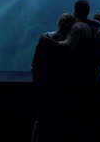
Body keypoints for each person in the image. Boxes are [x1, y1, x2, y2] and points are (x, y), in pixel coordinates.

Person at [42, 0, 100, 141]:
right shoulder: (96, 26)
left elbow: (67, 45)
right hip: (93, 75)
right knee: (91, 111)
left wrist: (48, 40)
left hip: (78, 77)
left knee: (76, 111)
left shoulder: (77, 27)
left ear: (75, 10)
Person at [31, 13, 77, 142]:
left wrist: (36, 81)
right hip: (65, 88)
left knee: (41, 120)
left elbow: (35, 62)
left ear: (59, 23)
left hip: (46, 84)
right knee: (64, 121)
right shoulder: (74, 43)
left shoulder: (46, 37)